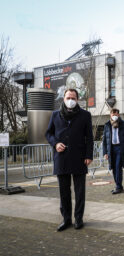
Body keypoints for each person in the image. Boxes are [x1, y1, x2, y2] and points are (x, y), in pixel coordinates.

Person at [45, 88, 93, 231]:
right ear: (63, 99)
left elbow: (89, 137)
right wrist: (55, 143)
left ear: (77, 100)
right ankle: (66, 219)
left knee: (79, 192)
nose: (70, 100)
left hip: (79, 158)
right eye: (68, 97)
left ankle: (78, 219)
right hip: (62, 158)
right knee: (64, 192)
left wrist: (89, 155)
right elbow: (48, 133)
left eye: (73, 98)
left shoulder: (85, 115)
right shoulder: (55, 115)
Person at [102, 108, 124, 194]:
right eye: (113, 114)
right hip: (111, 149)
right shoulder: (107, 125)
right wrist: (105, 152)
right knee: (113, 168)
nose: (114, 116)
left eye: (116, 114)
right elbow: (104, 140)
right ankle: (119, 186)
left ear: (118, 115)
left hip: (121, 148)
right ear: (110, 115)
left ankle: (118, 187)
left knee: (118, 167)